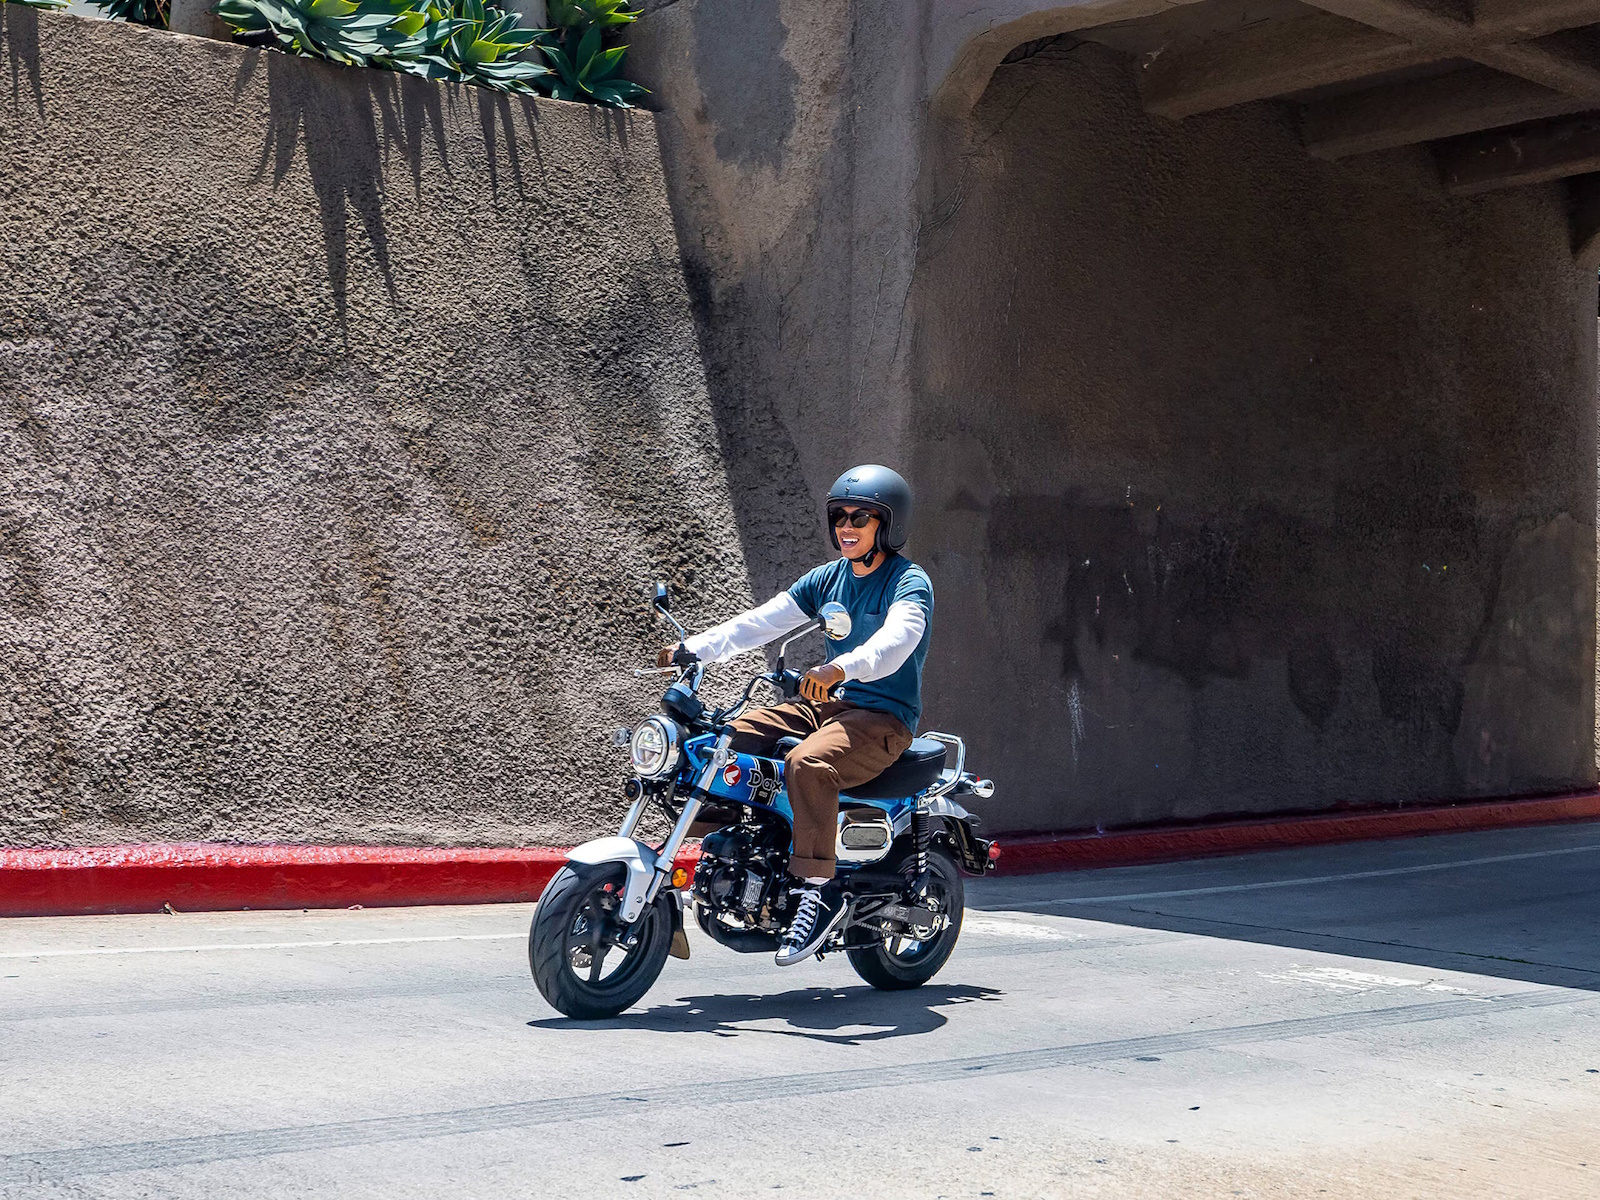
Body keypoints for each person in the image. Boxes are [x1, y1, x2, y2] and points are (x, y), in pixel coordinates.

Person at [658, 465, 934, 967]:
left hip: (882, 717)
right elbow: (762, 622)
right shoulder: (828, 578)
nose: (846, 526)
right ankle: (738, 850)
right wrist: (694, 648)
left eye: (861, 517)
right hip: (825, 705)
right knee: (725, 739)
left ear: (888, 525)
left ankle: (817, 888)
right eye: (839, 516)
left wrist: (840, 667)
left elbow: (896, 642)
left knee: (808, 763)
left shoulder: (909, 582)